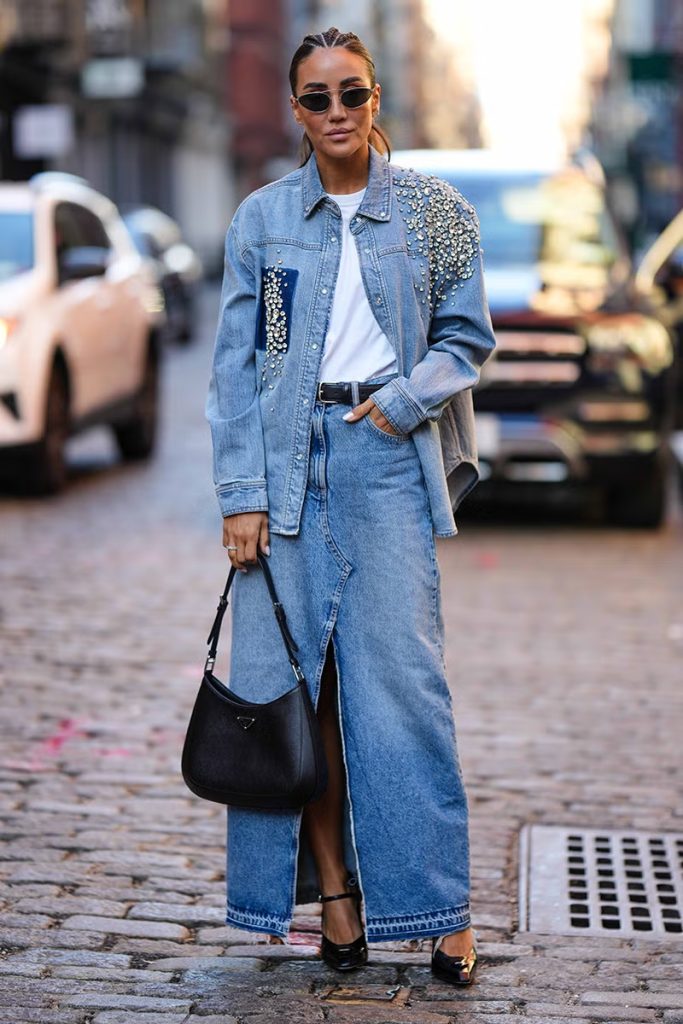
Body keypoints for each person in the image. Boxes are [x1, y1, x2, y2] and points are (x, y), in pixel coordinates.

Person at [206, 26, 496, 985]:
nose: (336, 112)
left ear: (378, 101)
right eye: (317, 98)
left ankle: (439, 908)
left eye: (352, 94)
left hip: (380, 461)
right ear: (296, 111)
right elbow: (240, 366)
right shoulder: (262, 219)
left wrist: (406, 399)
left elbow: (466, 336)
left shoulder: (435, 211)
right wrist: (242, 495)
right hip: (287, 473)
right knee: (297, 697)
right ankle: (335, 896)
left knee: (403, 692)